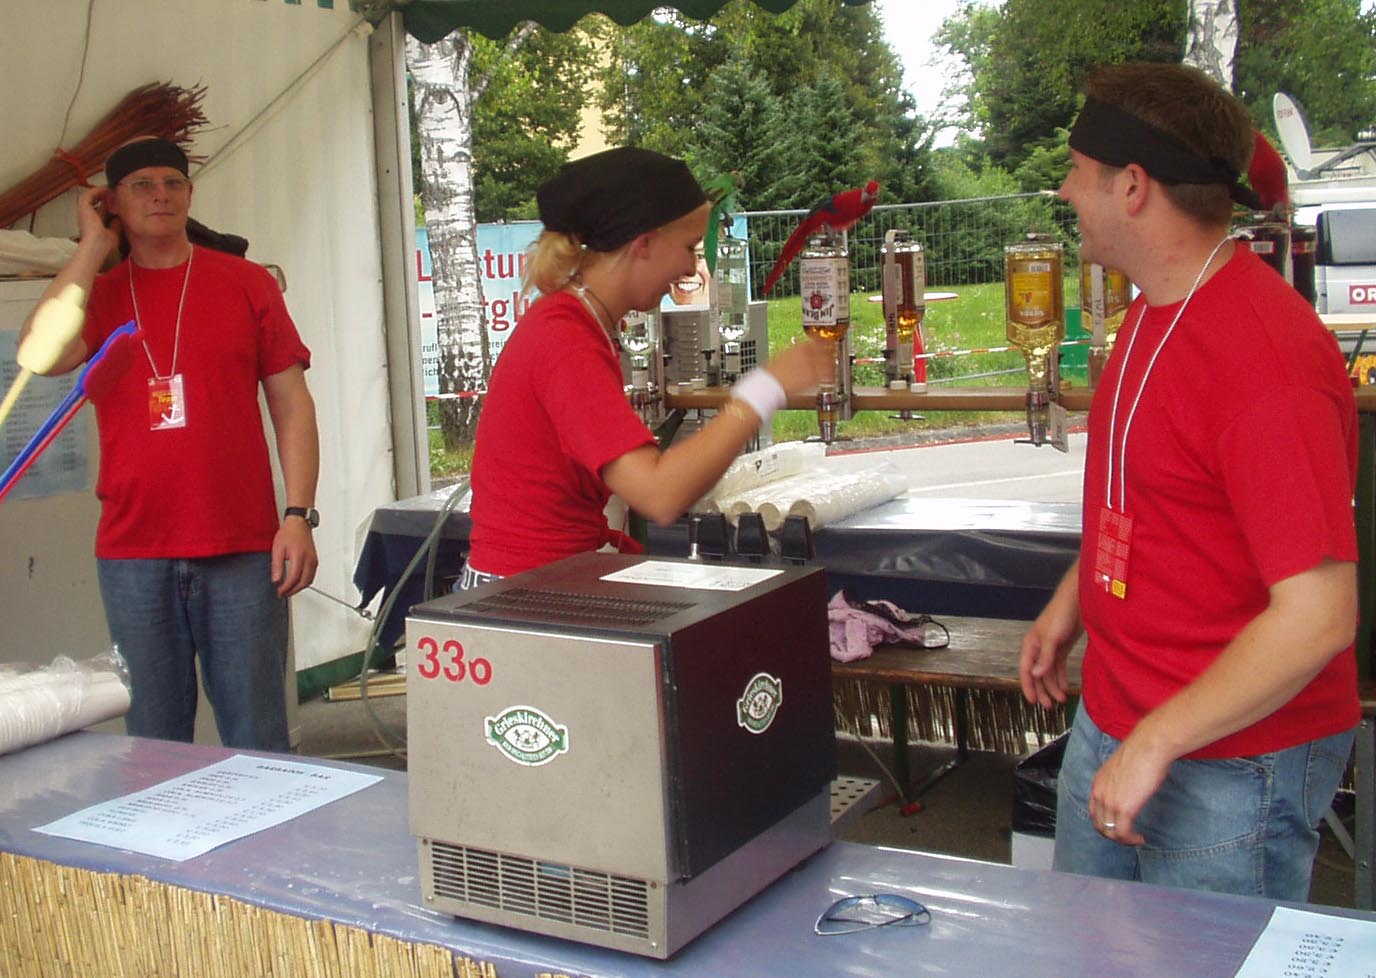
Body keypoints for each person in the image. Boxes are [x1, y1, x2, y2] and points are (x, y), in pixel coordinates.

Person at [1018, 63, 1360, 901]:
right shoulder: (1153, 307)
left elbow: (1320, 616)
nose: (1064, 191)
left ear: (1132, 185)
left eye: (1075, 171)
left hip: (1231, 760)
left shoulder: (1264, 361)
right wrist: (1072, 602)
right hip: (1119, 718)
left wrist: (1156, 741)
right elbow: (1147, 498)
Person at [19, 136, 320, 750]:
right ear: (113, 205)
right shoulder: (97, 296)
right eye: (141, 186)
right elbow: (39, 354)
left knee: (258, 736)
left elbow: (291, 403)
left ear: (190, 193)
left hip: (242, 544)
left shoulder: (247, 284)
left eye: (173, 183)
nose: (160, 195)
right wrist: (91, 250)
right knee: (152, 743)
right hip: (134, 550)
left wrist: (299, 514)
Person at [464, 146, 833, 584]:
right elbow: (660, 494)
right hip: (524, 597)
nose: (690, 266)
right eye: (688, 247)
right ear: (643, 243)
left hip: (540, 581)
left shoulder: (577, 323)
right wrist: (764, 389)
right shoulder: (565, 339)